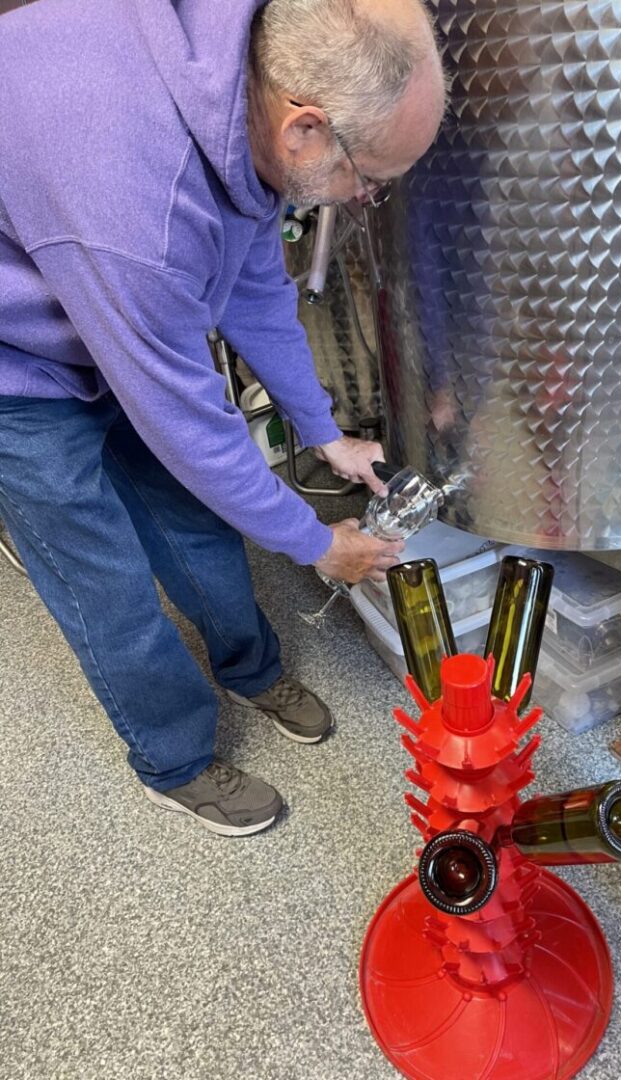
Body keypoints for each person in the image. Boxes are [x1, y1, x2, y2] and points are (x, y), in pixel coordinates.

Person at [0, 0, 447, 836]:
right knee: (104, 575)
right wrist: (321, 545)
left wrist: (324, 434)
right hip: (15, 359)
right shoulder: (142, 203)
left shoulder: (245, 76)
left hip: (97, 282)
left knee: (193, 515)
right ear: (306, 130)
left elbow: (254, 290)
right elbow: (192, 426)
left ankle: (251, 667)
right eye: (372, 179)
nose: (367, 196)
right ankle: (174, 758)